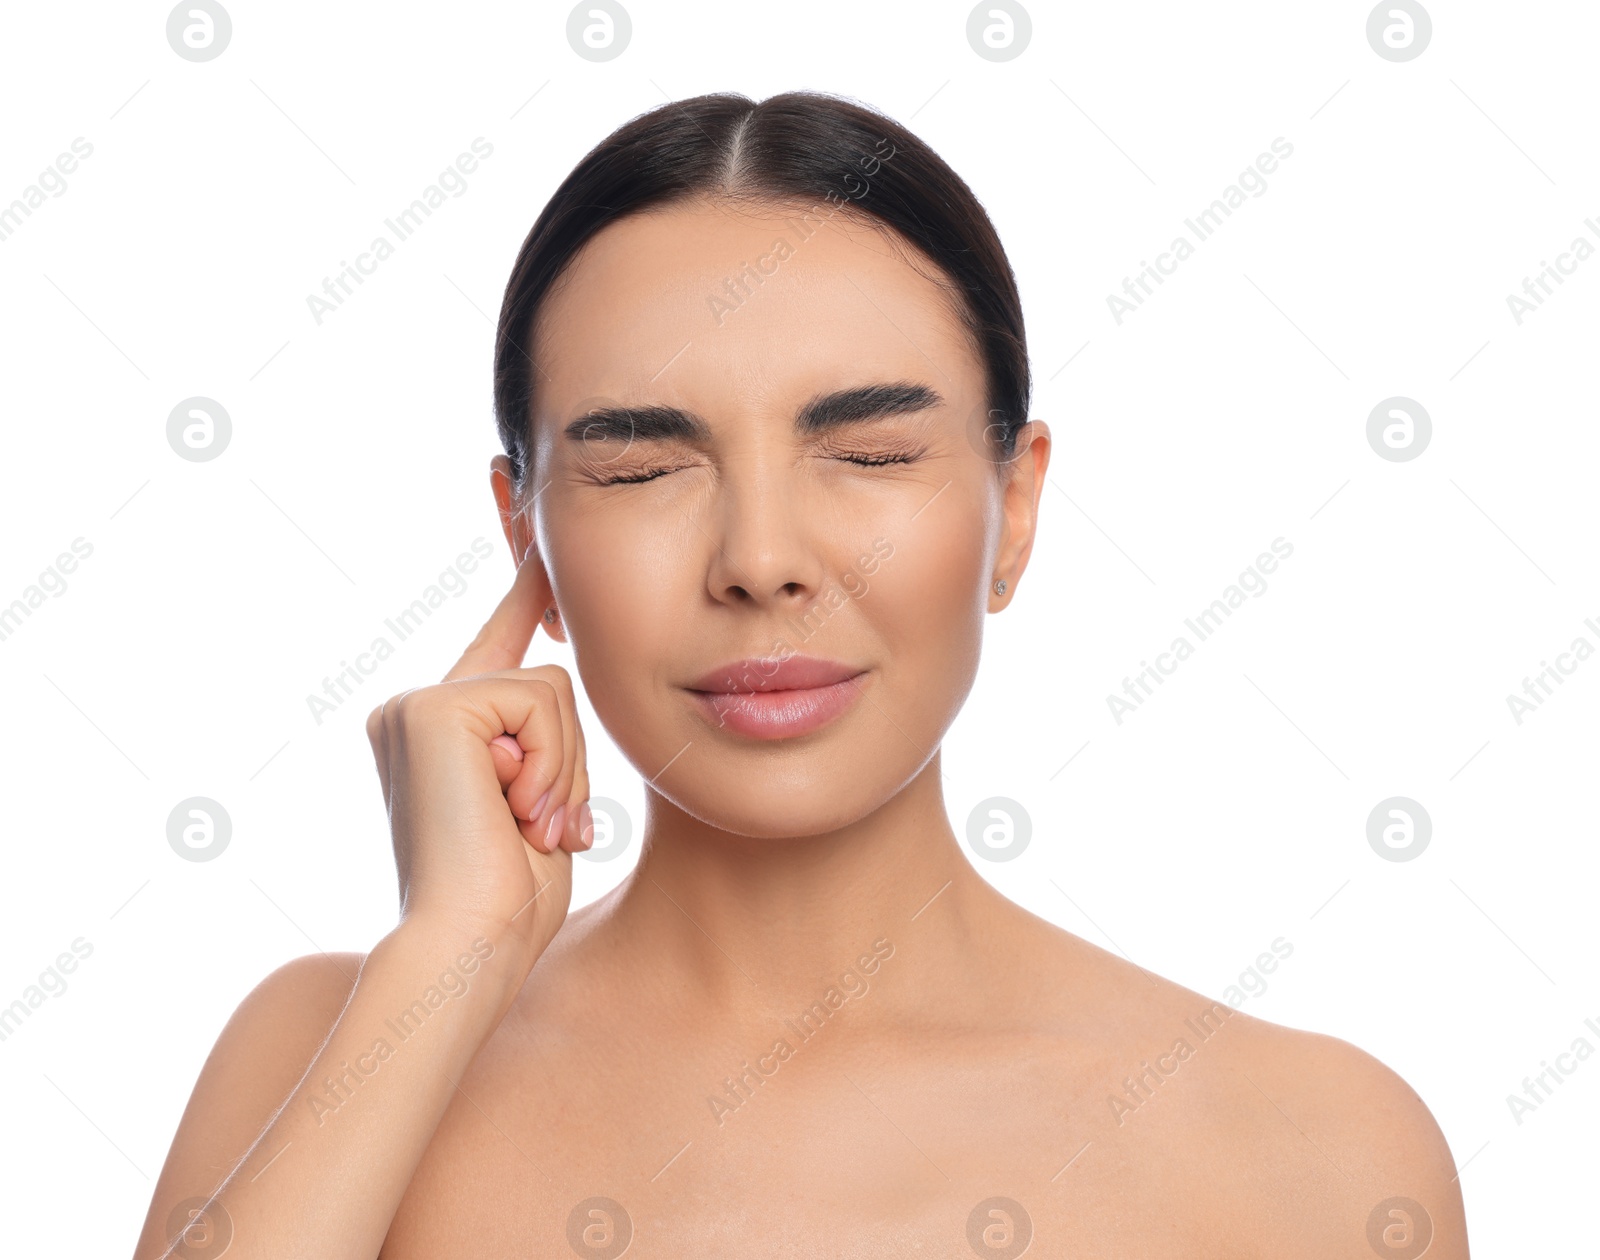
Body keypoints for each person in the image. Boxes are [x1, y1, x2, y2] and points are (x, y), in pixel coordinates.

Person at [134, 90, 1469, 1258]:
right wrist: (452, 960)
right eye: (642, 469)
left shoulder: (1315, 1153)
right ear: (523, 529)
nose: (761, 560)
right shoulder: (331, 1056)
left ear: (1016, 506)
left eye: (874, 455)